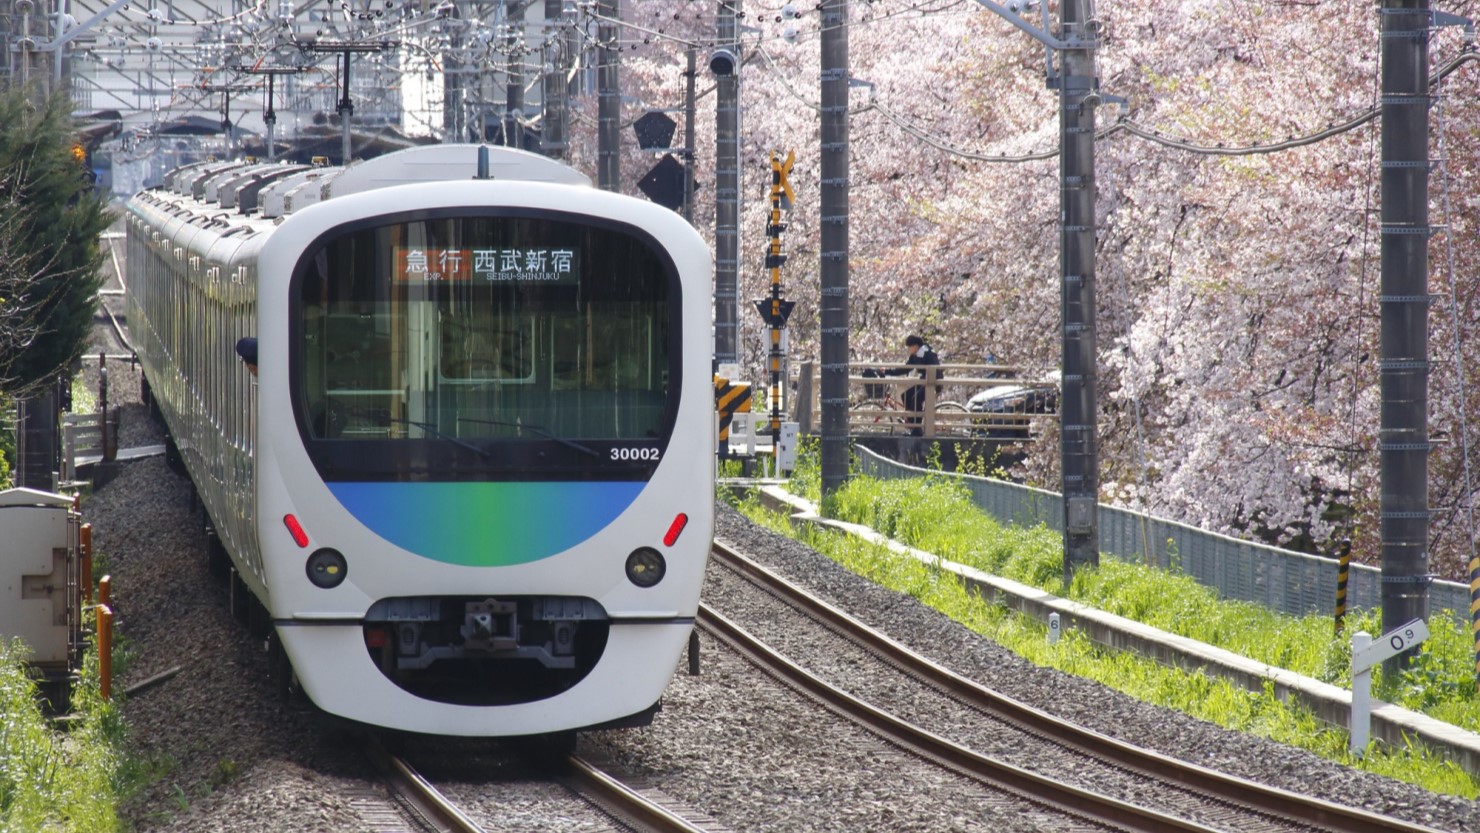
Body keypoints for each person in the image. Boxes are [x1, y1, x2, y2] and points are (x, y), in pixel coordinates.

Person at [888, 334, 941, 435]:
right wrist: (887, 372)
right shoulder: (915, 356)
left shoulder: (928, 353)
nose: (908, 349)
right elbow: (906, 368)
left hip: (933, 382)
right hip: (924, 381)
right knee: (906, 396)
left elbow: (936, 370)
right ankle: (913, 425)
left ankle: (917, 428)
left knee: (916, 399)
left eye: (909, 347)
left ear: (915, 346)